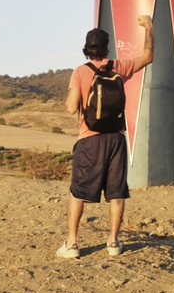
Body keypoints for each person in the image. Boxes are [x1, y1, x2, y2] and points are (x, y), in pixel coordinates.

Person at [58, 15, 154, 259]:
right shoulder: (119, 67)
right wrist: (149, 28)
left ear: (87, 50)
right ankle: (112, 242)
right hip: (116, 139)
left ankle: (72, 244)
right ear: (107, 47)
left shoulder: (80, 72)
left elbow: (71, 108)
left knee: (78, 191)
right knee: (116, 192)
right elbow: (147, 57)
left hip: (90, 138)